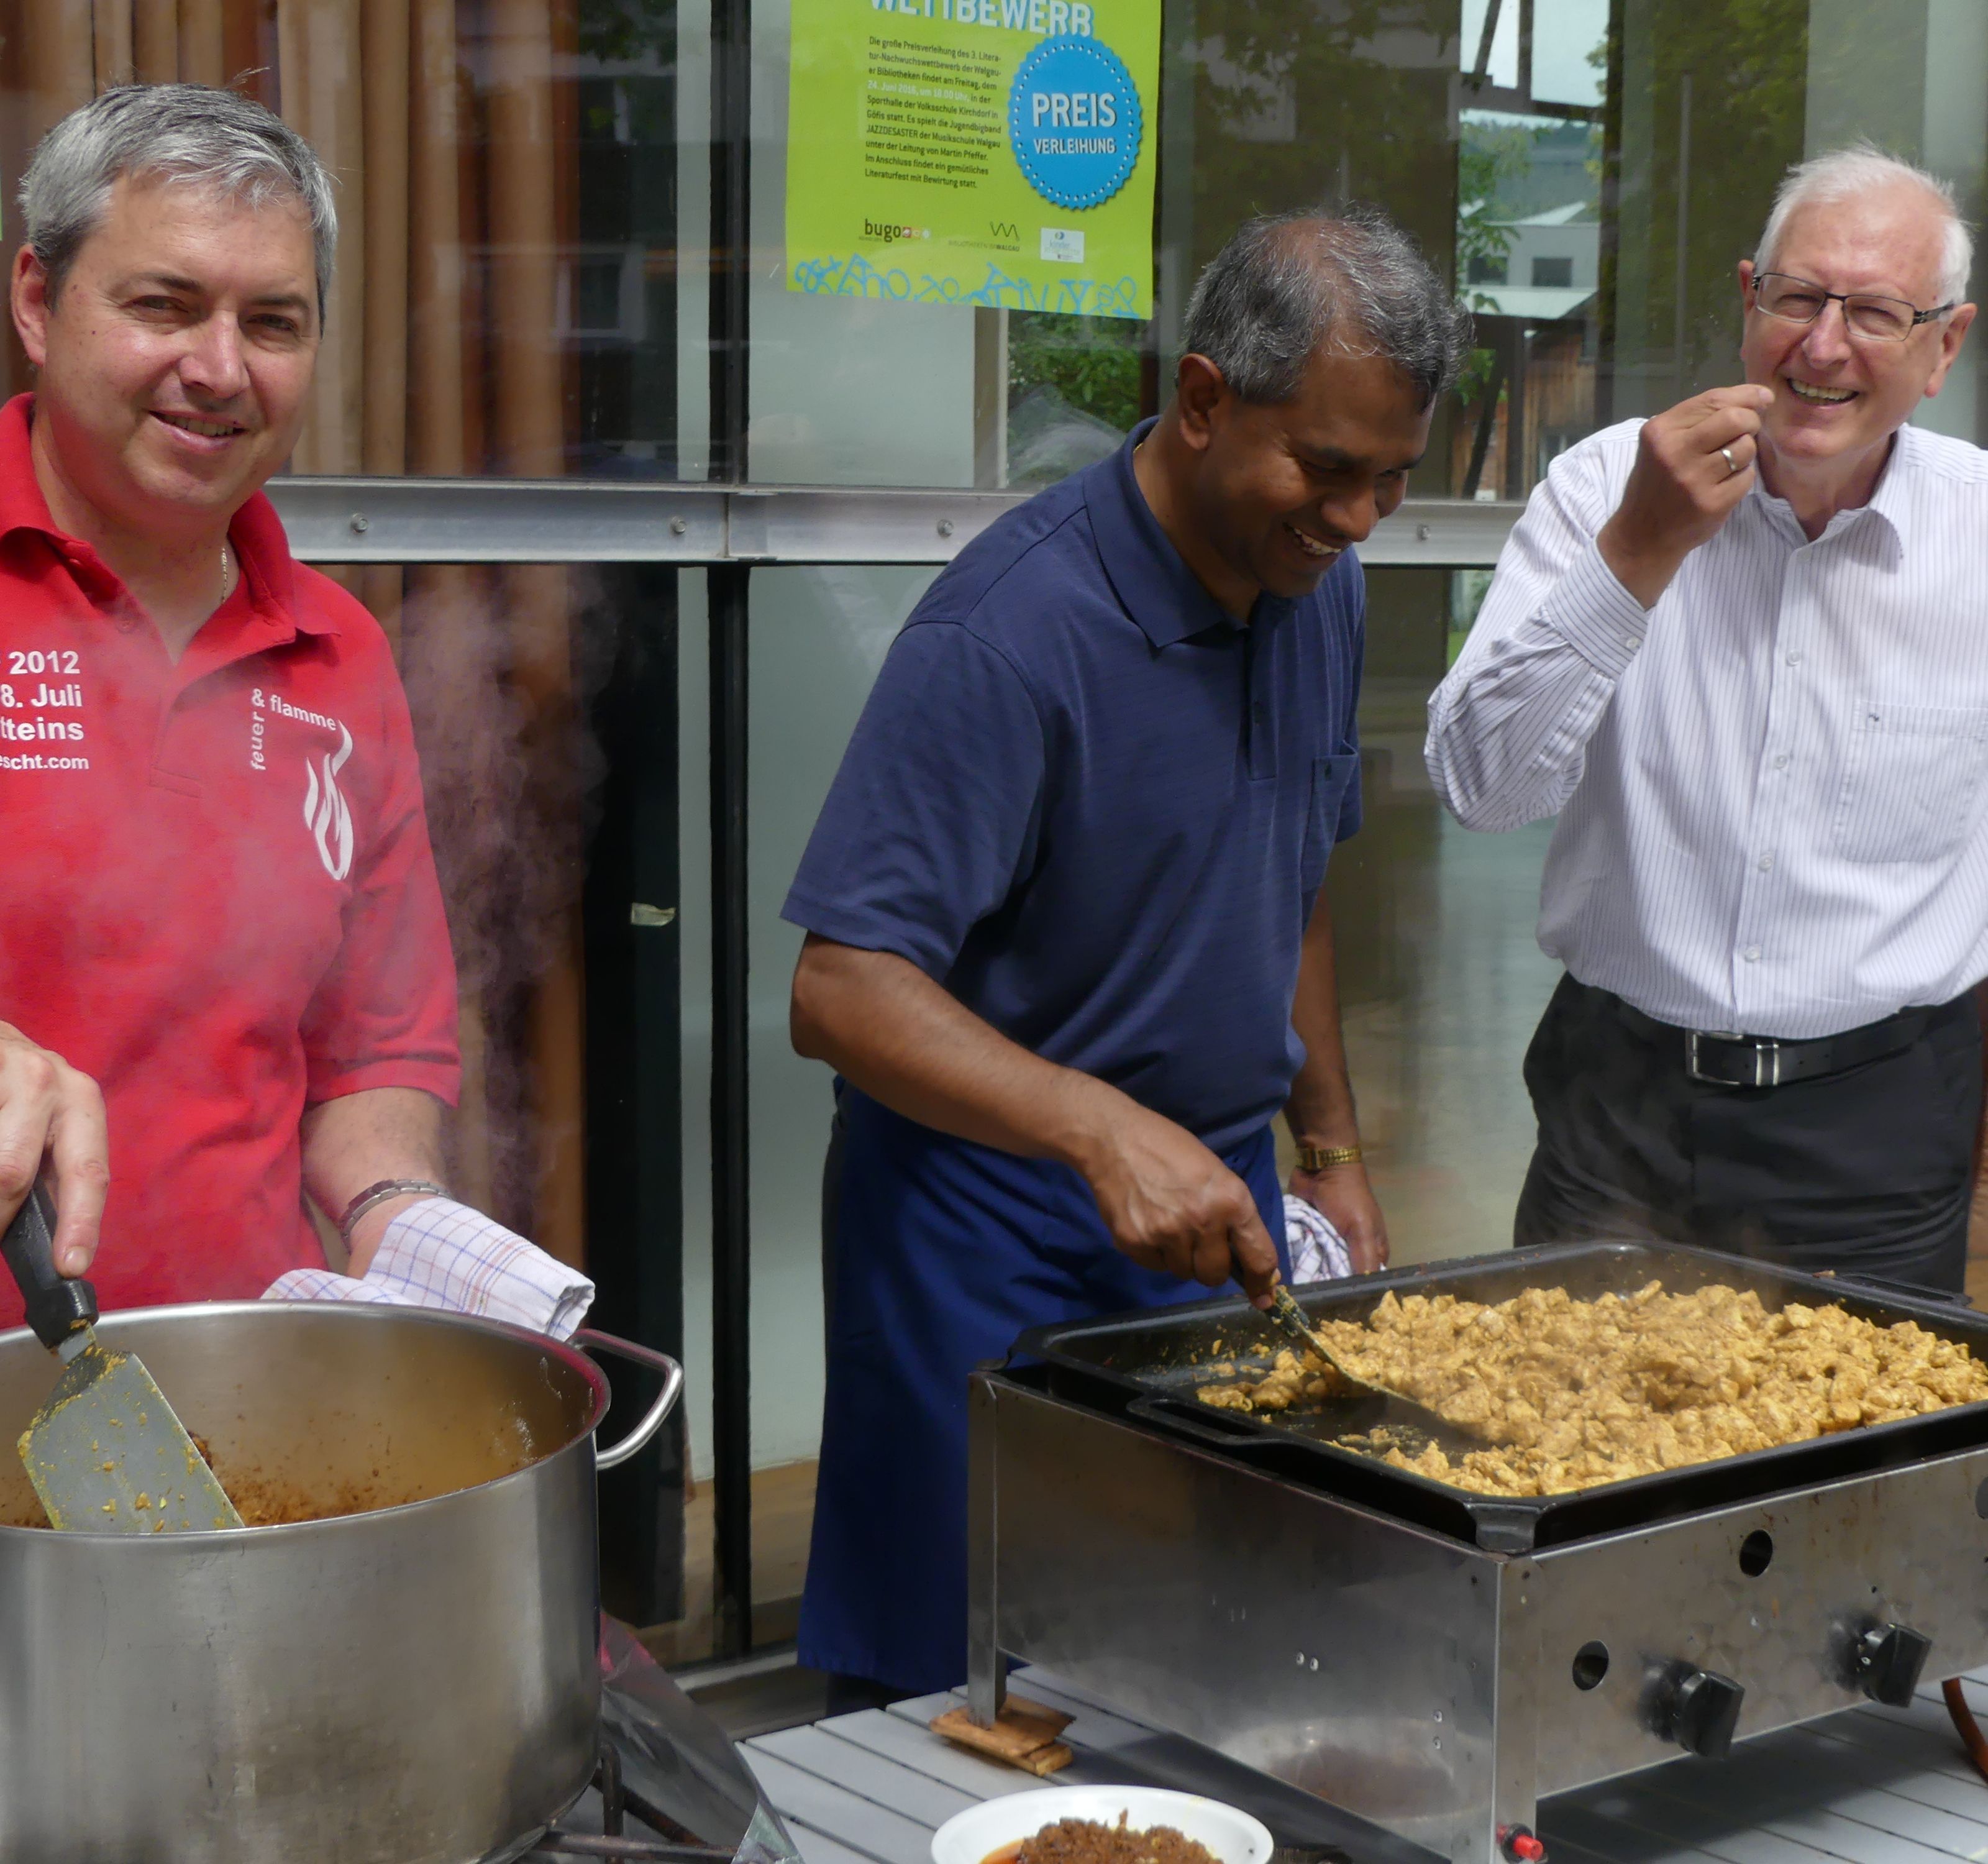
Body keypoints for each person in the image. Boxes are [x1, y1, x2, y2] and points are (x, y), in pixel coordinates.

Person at [783, 205, 1469, 1700]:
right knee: (964, 1689)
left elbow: (1294, 873)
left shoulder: (1317, 590)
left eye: (1393, 480)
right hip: (984, 1235)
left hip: (1211, 1214)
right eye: (1328, 471)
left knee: (1189, 1661)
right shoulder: (1008, 633)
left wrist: (1331, 1148)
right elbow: (839, 991)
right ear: (1205, 399)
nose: (1357, 520)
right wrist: (1100, 1131)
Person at [1426, 144, 1985, 1292]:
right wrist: (1637, 553)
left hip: (1876, 1130)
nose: (1822, 346)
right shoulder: (1604, 489)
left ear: (1945, 346)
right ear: (1749, 302)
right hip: (1616, 1107)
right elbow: (1480, 788)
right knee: (1576, 1449)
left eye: (1876, 312)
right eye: (1797, 299)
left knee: (1856, 1464)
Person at [0, 84, 462, 1323]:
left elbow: (371, 1050)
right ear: (39, 303)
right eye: (163, 306)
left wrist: (390, 1214)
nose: (218, 370)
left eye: (272, 323)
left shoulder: (339, 653)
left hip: (238, 1397)